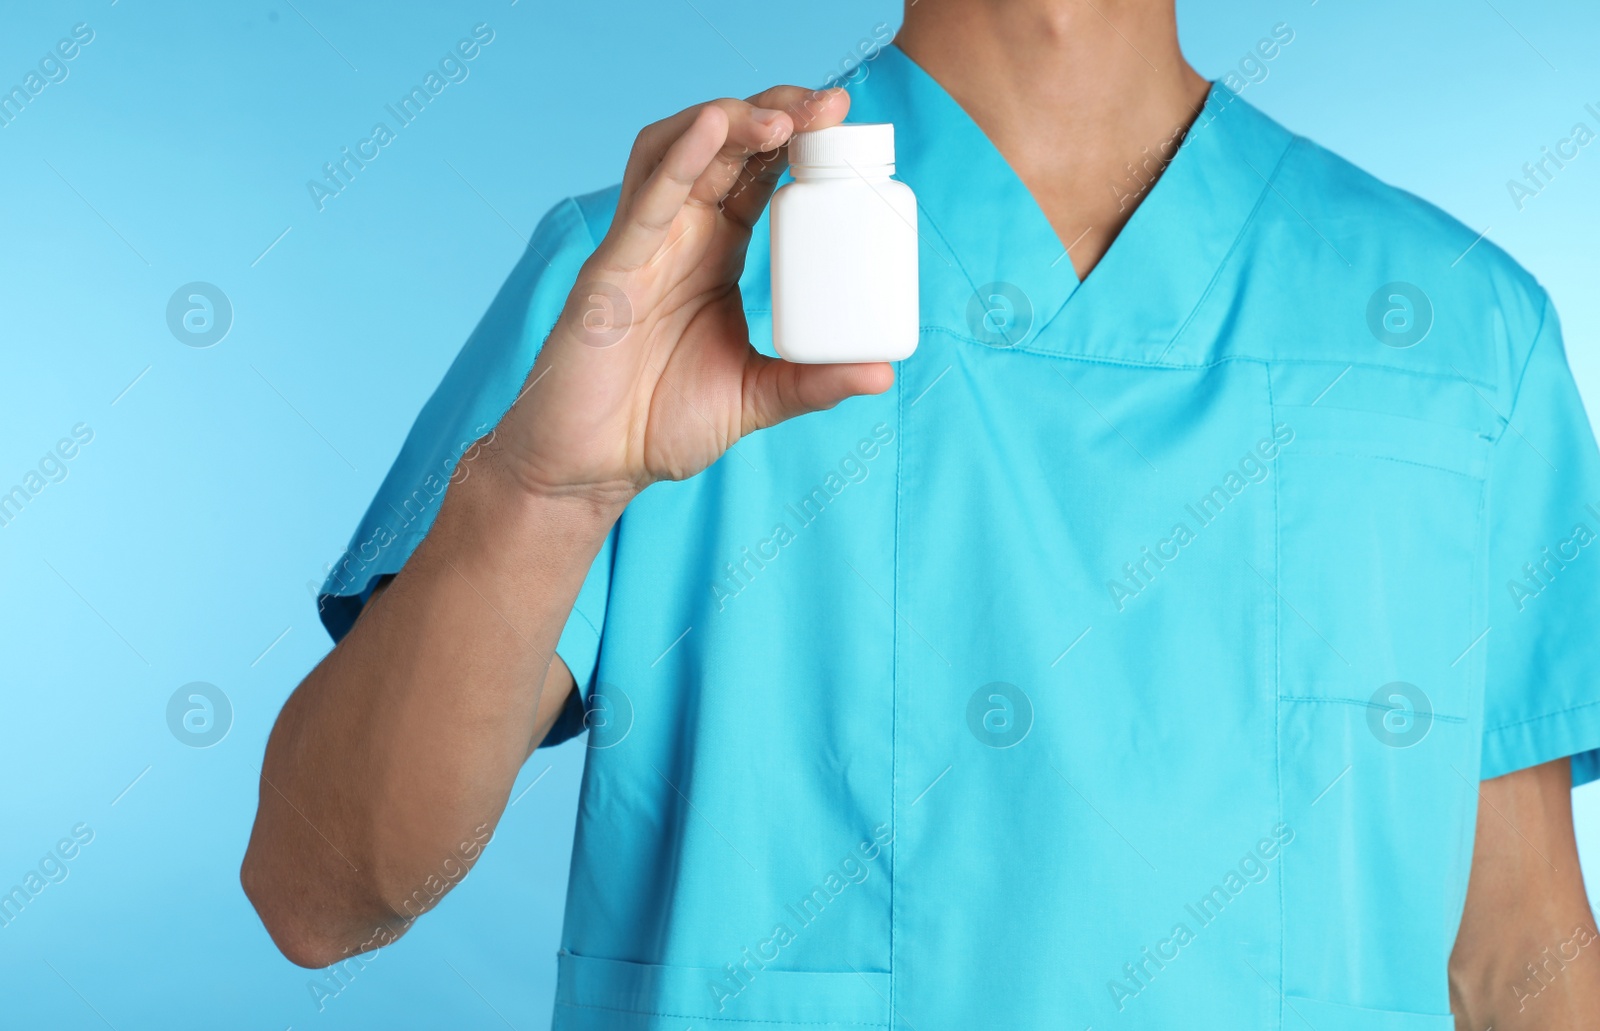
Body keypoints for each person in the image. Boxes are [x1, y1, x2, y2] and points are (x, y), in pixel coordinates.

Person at [241, 1, 1600, 1027]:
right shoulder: (656, 286)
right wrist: (546, 491)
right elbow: (319, 893)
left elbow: (1517, 956)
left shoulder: (1459, 335)